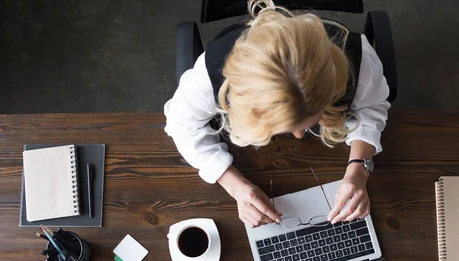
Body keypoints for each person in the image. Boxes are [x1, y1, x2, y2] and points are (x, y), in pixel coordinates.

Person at [164, 0, 390, 228]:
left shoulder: (359, 59)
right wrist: (236, 186)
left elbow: (371, 106)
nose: (300, 136)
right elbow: (181, 124)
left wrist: (358, 171)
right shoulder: (210, 74)